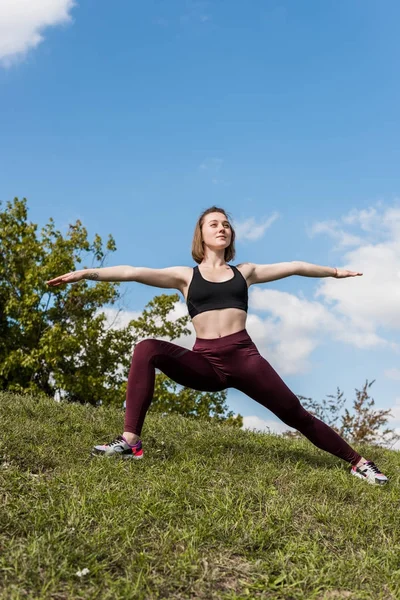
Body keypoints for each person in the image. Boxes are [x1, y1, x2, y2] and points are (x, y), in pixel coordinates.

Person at [47, 206, 388, 485]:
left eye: (226, 224)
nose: (222, 228)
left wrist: (333, 272)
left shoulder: (246, 272)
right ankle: (131, 442)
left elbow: (294, 266)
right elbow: (134, 271)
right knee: (146, 348)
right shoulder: (185, 276)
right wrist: (86, 273)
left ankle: (360, 463)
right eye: (214, 224)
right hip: (206, 362)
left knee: (295, 414)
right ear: (202, 235)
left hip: (244, 357)